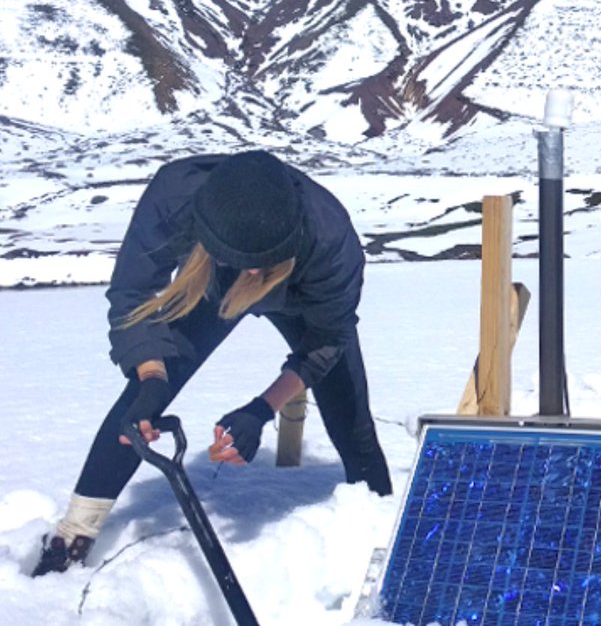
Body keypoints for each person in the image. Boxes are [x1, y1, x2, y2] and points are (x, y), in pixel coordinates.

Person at [33, 150, 393, 576]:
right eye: (247, 263)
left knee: (350, 418)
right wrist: (150, 377)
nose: (253, 276)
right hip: (212, 280)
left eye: (262, 264)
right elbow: (133, 295)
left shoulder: (330, 237)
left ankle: (384, 534)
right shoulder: (175, 193)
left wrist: (262, 409)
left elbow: (326, 342)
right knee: (144, 400)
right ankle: (74, 534)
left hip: (300, 291)